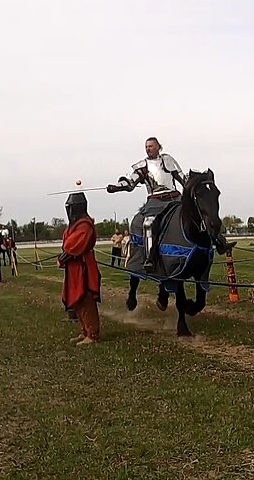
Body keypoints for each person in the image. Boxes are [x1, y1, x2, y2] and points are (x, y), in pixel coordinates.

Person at [106, 137, 186, 271]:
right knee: (148, 223)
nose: (148, 149)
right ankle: (150, 259)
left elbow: (181, 177)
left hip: (174, 196)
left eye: (150, 146)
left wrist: (191, 188)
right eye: (146, 147)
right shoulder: (142, 166)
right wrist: (117, 187)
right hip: (155, 200)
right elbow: (131, 182)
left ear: (158, 147)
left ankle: (217, 240)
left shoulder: (168, 160)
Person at [58, 192, 102, 345]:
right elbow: (67, 242)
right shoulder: (75, 225)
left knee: (86, 299)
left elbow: (73, 245)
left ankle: (92, 334)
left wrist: (64, 256)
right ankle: (84, 331)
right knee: (77, 301)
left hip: (84, 268)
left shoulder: (85, 225)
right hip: (74, 268)